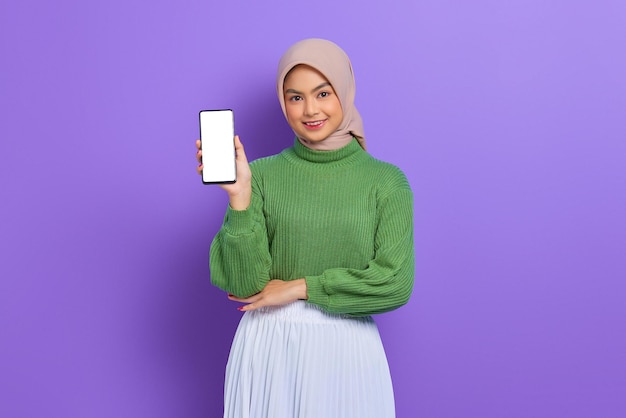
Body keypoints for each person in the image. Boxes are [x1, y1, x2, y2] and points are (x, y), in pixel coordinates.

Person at [195, 38, 414, 418]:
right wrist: (240, 198)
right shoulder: (260, 175)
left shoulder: (386, 182)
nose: (310, 110)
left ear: (344, 91)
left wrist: (301, 288)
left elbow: (394, 284)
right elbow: (244, 285)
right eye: (295, 97)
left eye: (323, 93)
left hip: (348, 354)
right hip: (267, 349)